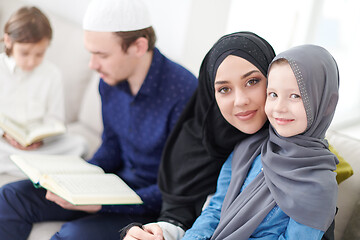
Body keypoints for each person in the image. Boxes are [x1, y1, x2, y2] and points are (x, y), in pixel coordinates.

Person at [0, 0, 197, 239]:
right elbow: (111, 148)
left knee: (71, 236)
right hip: (111, 186)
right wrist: (76, 180)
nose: (93, 65)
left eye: (101, 54)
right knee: (11, 196)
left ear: (138, 46)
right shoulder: (109, 81)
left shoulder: (185, 93)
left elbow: (178, 194)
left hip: (148, 205)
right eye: (91, 53)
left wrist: (103, 205)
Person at [122, 35, 338, 240]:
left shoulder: (315, 175)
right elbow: (212, 210)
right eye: (224, 89)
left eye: (253, 81)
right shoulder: (246, 148)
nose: (240, 100)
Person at [208, 44, 339, 239]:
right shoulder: (248, 148)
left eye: (295, 96)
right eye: (273, 94)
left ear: (325, 105)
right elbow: (214, 210)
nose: (279, 107)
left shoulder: (317, 184)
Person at [0, 6, 88, 176]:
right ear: (9, 42)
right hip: (5, 143)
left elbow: (55, 119)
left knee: (80, 144)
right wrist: (5, 135)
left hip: (39, 145)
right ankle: (35, 166)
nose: (31, 61)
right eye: (25, 53)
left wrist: (42, 138)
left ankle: (24, 164)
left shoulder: (52, 74)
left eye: (39, 54)